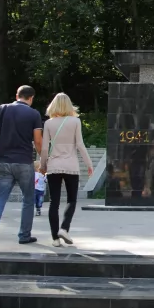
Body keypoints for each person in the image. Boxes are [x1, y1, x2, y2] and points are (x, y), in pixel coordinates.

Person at [0, 86, 43, 254]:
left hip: (4, 162)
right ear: (31, 98)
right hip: (24, 162)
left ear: (17, 95)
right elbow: (38, 140)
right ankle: (24, 235)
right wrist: (44, 159)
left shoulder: (3, 109)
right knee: (28, 199)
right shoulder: (34, 114)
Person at [39, 93, 93, 247]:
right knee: (71, 199)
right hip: (71, 166)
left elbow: (44, 149)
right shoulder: (75, 121)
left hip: (54, 166)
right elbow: (80, 145)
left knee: (54, 202)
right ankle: (64, 228)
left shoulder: (49, 124)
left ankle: (55, 239)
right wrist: (89, 164)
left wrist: (43, 165)